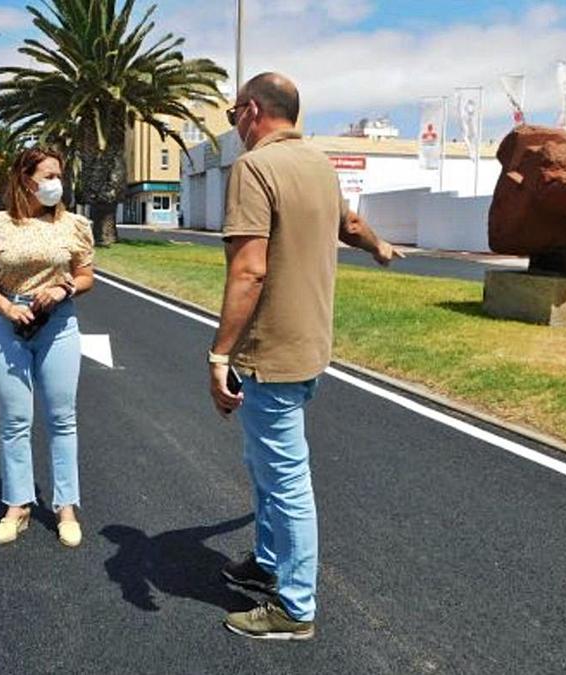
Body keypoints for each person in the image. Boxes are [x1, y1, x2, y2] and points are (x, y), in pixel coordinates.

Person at [208, 73, 403, 640]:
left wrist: (219, 354)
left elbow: (248, 269)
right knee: (264, 467)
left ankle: (294, 607)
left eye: (232, 118)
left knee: (287, 480)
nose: (234, 129)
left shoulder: (254, 168)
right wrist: (381, 247)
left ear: (250, 110)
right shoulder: (319, 163)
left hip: (269, 352)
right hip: (310, 347)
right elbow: (352, 224)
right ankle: (270, 564)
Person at [0, 147, 95, 548]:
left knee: (62, 418)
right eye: (49, 175)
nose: (57, 183)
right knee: (15, 421)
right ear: (26, 179)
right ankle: (17, 505)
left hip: (59, 325)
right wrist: (7, 307)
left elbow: (86, 275)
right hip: (10, 326)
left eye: (59, 175)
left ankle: (66, 507)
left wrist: (64, 288)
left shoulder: (74, 225)